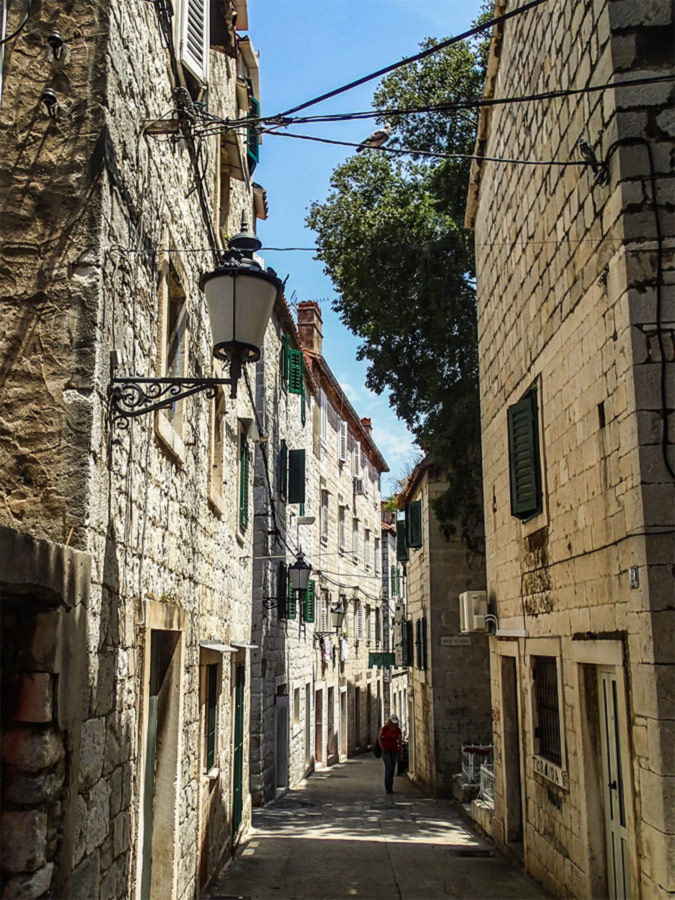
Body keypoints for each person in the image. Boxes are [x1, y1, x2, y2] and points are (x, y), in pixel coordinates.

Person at [378, 715, 402, 794]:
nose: (394, 724)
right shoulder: (385, 728)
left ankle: (390, 786)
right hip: (386, 751)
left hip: (394, 751)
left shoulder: (398, 730)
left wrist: (400, 752)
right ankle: (387, 787)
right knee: (388, 768)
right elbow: (379, 737)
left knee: (392, 769)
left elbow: (400, 741)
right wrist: (382, 747)